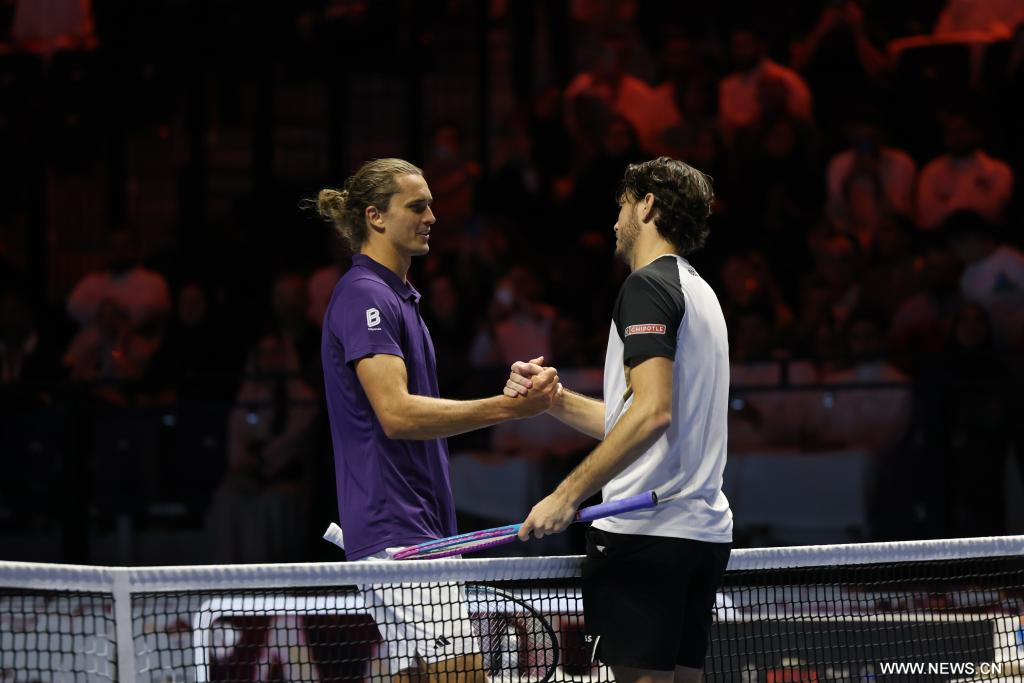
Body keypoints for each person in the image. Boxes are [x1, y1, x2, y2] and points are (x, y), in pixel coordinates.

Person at [314, 158, 559, 681]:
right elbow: (397, 414)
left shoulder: (399, 298)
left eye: (430, 205)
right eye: (417, 206)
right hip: (397, 530)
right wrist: (509, 408)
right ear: (375, 216)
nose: (432, 217)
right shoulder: (365, 295)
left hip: (415, 529)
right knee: (464, 674)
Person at [505, 157, 732, 682]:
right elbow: (639, 418)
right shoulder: (701, 292)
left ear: (647, 206)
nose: (614, 222)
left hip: (644, 536)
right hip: (699, 537)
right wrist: (556, 399)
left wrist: (566, 495)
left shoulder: (646, 286)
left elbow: (652, 413)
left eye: (622, 206)